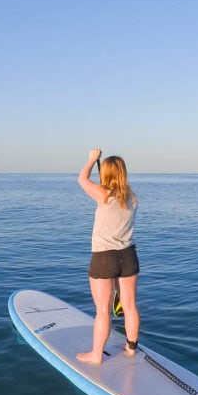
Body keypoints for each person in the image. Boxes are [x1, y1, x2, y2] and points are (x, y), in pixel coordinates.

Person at [76, 148, 140, 365]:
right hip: (128, 256)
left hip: (105, 258)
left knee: (103, 310)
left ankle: (96, 355)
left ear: (106, 174)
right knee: (129, 306)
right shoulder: (132, 198)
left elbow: (82, 179)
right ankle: (131, 349)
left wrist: (91, 160)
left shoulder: (103, 195)